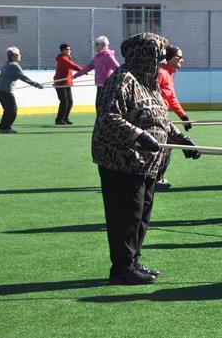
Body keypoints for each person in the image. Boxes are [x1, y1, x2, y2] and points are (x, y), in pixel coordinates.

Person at [91, 32, 200, 285]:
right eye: (159, 56)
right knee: (126, 217)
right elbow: (108, 117)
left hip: (147, 164)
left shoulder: (149, 83)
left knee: (141, 215)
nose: (163, 61)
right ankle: (121, 268)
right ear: (145, 55)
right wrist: (139, 136)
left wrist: (181, 140)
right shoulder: (122, 79)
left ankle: (133, 262)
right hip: (122, 162)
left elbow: (161, 121)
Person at [155, 45, 192, 190]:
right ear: (169, 59)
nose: (182, 60)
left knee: (168, 146)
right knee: (167, 146)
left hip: (162, 116)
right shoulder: (161, 73)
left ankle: (157, 178)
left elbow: (172, 98)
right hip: (156, 117)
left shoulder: (168, 74)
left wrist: (183, 116)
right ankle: (155, 179)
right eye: (179, 57)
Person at [0, 46, 43, 133]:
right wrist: (36, 84)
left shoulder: (7, 63)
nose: (20, 55)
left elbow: (0, 76)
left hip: (0, 89)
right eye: (18, 54)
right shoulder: (14, 66)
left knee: (8, 109)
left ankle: (3, 127)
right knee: (12, 110)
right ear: (13, 56)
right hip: (5, 90)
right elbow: (24, 78)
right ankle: (5, 128)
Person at [73, 35, 120, 106]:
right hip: (99, 84)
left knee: (103, 105)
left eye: (97, 44)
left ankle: (104, 117)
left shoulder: (108, 56)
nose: (95, 46)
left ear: (103, 45)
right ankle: (100, 117)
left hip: (106, 85)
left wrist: (115, 80)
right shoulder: (97, 57)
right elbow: (88, 67)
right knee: (98, 105)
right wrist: (76, 75)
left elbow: (117, 68)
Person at [53, 43, 83, 125]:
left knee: (70, 101)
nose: (69, 50)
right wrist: (82, 70)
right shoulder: (62, 58)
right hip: (60, 83)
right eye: (67, 49)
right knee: (64, 101)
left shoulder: (67, 58)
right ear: (62, 51)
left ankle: (65, 118)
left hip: (66, 83)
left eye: (70, 49)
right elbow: (71, 65)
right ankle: (59, 119)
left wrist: (82, 71)